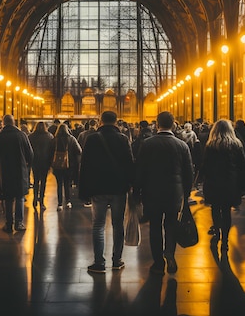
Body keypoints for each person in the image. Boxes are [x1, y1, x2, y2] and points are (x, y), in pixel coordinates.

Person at [135, 111, 194, 275]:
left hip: (151, 191)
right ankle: (170, 253)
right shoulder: (182, 145)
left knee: (155, 226)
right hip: (174, 192)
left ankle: (158, 262)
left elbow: (140, 170)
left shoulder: (147, 144)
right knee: (171, 224)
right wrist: (186, 193)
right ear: (173, 123)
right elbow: (189, 172)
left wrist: (136, 192)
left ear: (157, 124)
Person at [79, 111, 135, 273]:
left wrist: (84, 191)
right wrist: (133, 186)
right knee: (118, 225)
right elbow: (129, 163)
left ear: (100, 121)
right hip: (119, 188)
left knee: (98, 225)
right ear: (116, 122)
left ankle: (99, 262)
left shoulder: (92, 139)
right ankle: (117, 260)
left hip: (98, 188)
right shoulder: (123, 139)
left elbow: (85, 166)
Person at [198, 119, 245, 253]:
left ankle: (217, 232)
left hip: (214, 182)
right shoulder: (236, 144)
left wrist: (201, 178)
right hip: (230, 183)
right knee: (226, 211)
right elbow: (243, 165)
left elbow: (205, 165)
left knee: (215, 208)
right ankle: (225, 240)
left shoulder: (211, 145)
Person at [0, 115, 33, 232]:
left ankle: (9, 224)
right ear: (14, 122)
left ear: (3, 123)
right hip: (20, 170)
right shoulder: (22, 135)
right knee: (20, 196)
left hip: (5, 171)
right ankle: (19, 223)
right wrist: (27, 165)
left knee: (8, 198)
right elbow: (30, 153)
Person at [51, 123, 82, 211]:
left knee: (59, 184)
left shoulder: (54, 140)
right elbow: (79, 150)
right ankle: (68, 201)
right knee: (67, 184)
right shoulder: (72, 139)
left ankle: (60, 204)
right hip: (69, 165)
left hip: (57, 166)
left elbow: (49, 152)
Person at [28, 122, 54, 210]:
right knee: (43, 182)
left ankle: (35, 199)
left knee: (36, 181)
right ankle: (41, 201)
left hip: (35, 161)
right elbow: (52, 150)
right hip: (45, 162)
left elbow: (28, 149)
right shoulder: (49, 136)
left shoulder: (31, 136)